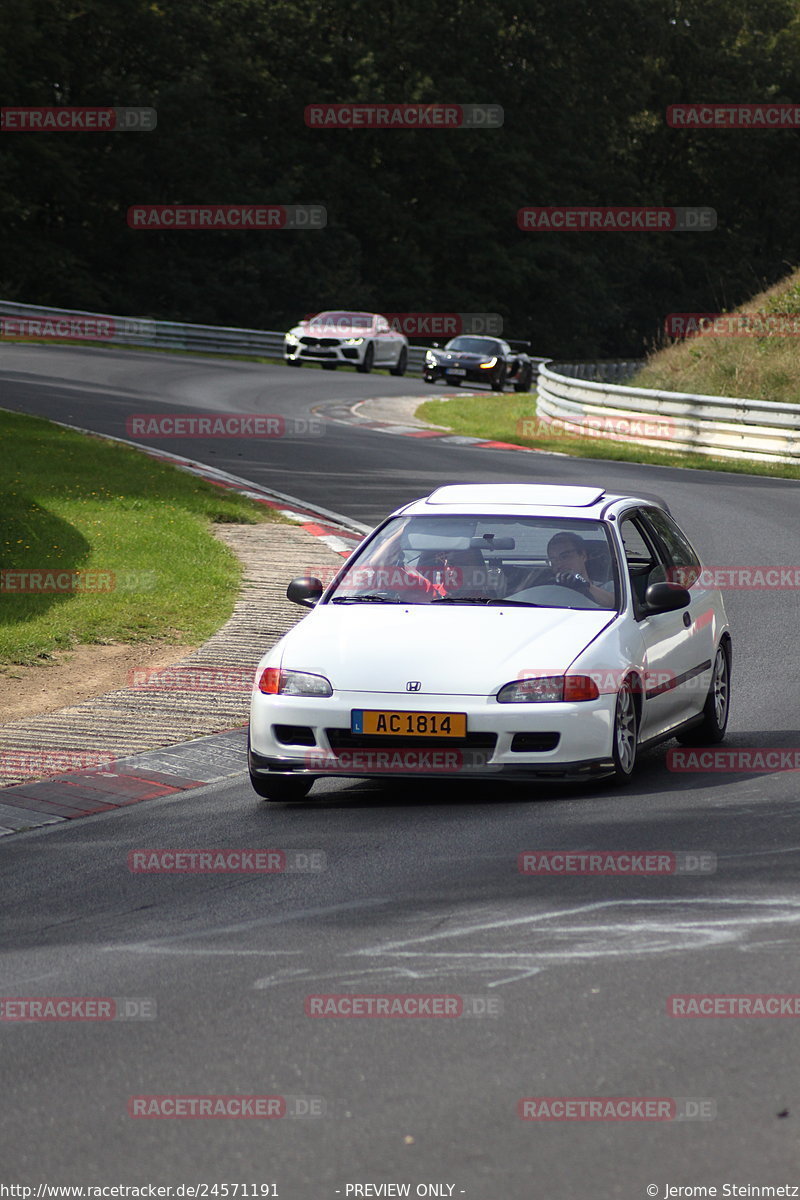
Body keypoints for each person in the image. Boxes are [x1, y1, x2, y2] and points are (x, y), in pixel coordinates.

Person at [545, 532, 616, 607]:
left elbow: (615, 603)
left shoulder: (607, 586)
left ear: (583, 556)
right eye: (553, 560)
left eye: (565, 557)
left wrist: (584, 585)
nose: (559, 565)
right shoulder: (548, 590)